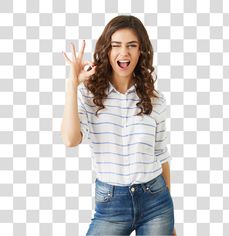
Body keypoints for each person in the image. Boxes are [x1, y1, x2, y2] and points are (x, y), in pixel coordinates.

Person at [61, 15, 176, 236]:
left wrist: (169, 222)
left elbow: (161, 155)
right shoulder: (89, 95)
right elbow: (70, 139)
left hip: (156, 202)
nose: (124, 53)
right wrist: (72, 84)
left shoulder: (155, 100)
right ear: (107, 51)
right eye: (116, 46)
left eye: (132, 46)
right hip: (110, 205)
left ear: (141, 51)